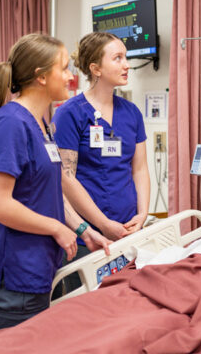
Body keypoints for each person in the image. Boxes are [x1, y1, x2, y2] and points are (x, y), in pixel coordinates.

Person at [0, 33, 111, 332]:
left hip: (36, 263)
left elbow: (46, 193)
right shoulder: (10, 124)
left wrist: (83, 230)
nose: (70, 76)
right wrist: (56, 228)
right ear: (41, 77)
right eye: (63, 68)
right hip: (16, 268)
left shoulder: (41, 124)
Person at [52, 32, 150, 263]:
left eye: (126, 57)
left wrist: (142, 214)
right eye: (117, 58)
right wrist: (103, 224)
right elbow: (66, 178)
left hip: (129, 229)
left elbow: (140, 169)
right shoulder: (70, 113)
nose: (127, 65)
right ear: (96, 69)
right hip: (89, 235)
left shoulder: (131, 113)